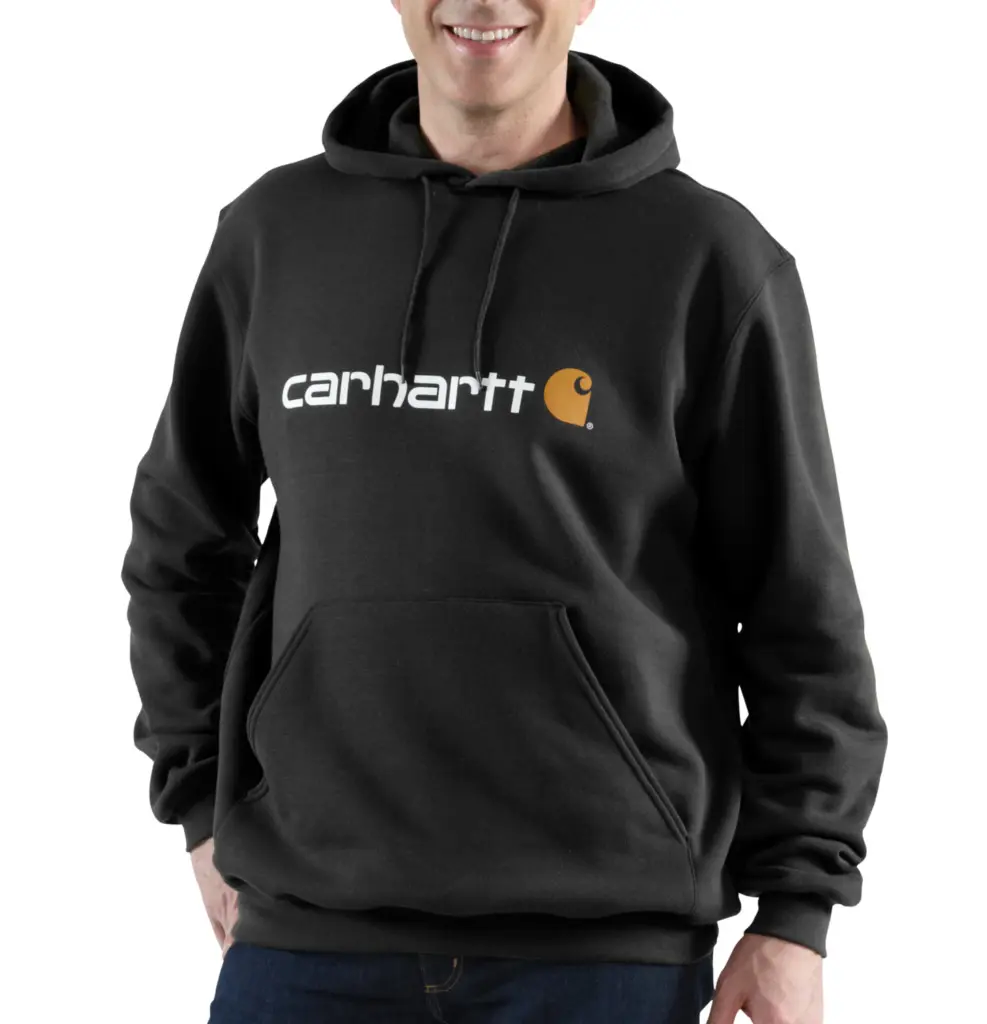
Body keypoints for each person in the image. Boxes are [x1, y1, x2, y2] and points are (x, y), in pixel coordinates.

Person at [120, 2, 888, 1022]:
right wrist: (199, 801)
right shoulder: (276, 236)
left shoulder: (706, 257)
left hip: (603, 958)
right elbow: (180, 540)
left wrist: (796, 909)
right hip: (307, 945)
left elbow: (800, 607)